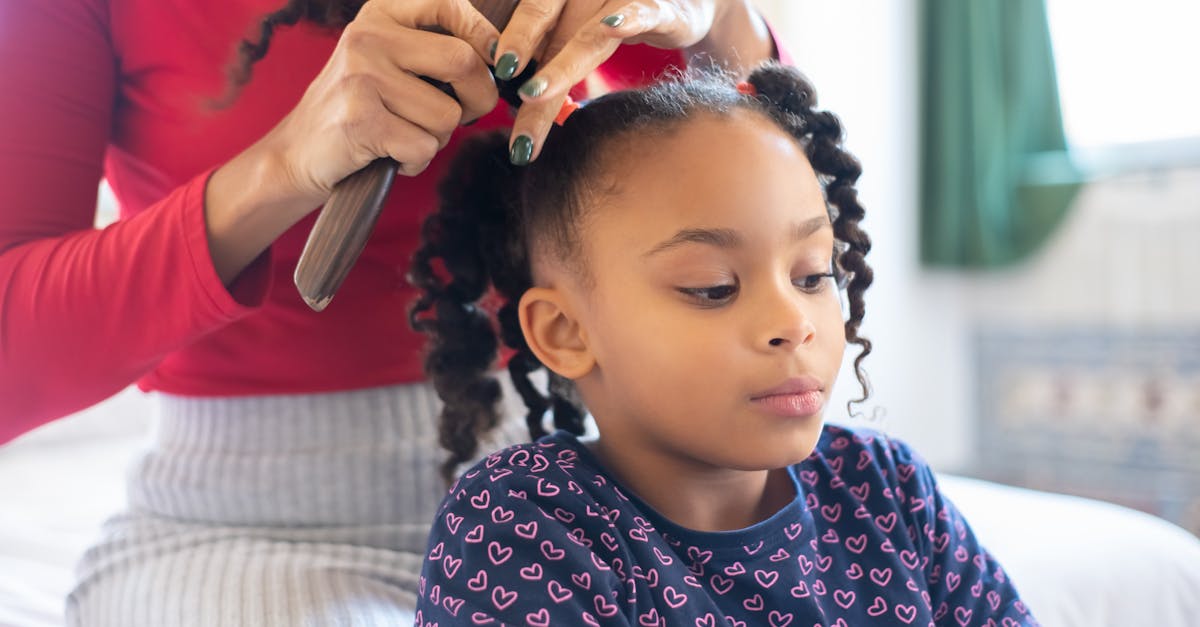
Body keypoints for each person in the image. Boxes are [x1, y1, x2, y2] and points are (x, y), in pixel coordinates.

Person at [0, 0, 784, 624]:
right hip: (249, 535)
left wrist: (723, 22)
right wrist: (283, 165)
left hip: (590, 496)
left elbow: (800, 235)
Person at [409, 64, 1040, 625]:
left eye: (812, 275)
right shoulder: (523, 524)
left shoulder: (886, 489)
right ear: (565, 332)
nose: (794, 322)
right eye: (714, 288)